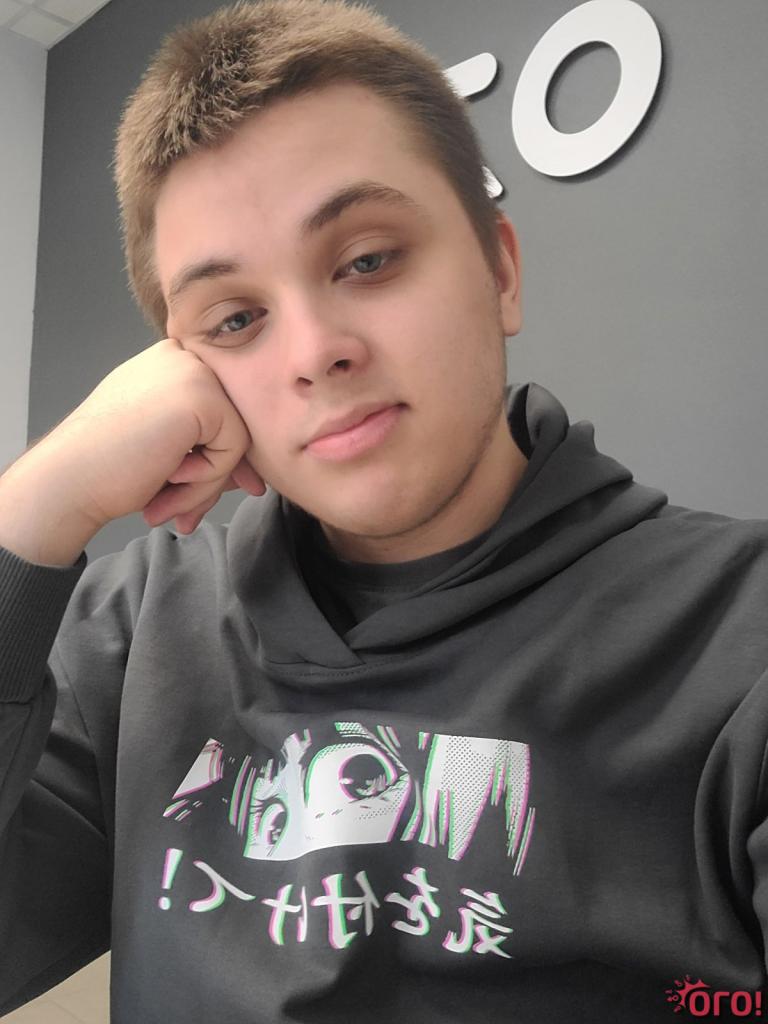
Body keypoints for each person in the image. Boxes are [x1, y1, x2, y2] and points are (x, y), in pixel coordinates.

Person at [0, 0, 765, 1020]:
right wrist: (34, 505)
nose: (315, 351)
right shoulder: (139, 629)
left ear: (499, 270)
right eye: (236, 318)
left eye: (367, 260)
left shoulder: (739, 637)